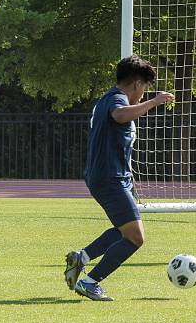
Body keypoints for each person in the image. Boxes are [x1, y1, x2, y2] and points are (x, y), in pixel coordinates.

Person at [64, 55, 174, 301]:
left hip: (112, 177)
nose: (144, 95)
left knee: (123, 230)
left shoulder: (106, 98)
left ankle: (81, 257)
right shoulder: (116, 100)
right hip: (109, 177)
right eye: (145, 88)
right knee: (136, 237)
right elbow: (120, 115)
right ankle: (90, 282)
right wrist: (155, 102)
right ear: (136, 83)